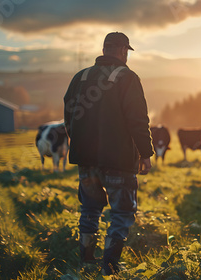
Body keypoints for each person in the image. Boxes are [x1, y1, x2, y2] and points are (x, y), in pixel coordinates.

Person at [63, 32, 154, 276]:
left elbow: (69, 115)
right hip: (119, 162)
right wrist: (146, 154)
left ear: (104, 49)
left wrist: (77, 141)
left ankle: (86, 260)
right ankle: (110, 267)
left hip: (86, 161)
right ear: (124, 50)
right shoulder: (127, 77)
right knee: (122, 213)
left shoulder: (80, 77)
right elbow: (138, 120)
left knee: (90, 208)